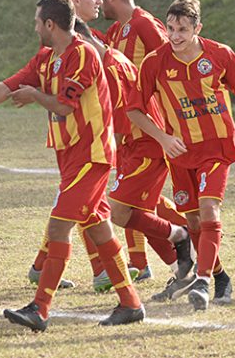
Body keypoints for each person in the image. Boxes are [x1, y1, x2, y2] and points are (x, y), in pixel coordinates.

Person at [0, 0, 144, 331]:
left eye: (37, 22)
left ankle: (40, 308)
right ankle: (131, 303)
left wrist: (35, 96)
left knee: (58, 227)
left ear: (50, 24)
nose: (34, 27)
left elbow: (65, 107)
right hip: (71, 159)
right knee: (98, 228)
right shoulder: (47, 58)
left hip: (92, 157)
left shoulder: (83, 54)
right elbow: (7, 86)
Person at [127, 0, 235, 310]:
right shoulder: (155, 61)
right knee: (193, 220)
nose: (175, 35)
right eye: (170, 28)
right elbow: (134, 110)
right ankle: (219, 275)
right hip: (179, 153)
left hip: (216, 148)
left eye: (182, 29)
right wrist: (163, 138)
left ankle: (202, 281)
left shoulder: (220, 55)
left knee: (209, 210)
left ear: (197, 29)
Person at [73, 19, 195, 287]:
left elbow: (121, 124)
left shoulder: (112, 69)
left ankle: (180, 234)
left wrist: (102, 160)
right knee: (140, 213)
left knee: (117, 212)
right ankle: (182, 271)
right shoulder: (112, 58)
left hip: (145, 147)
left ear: (84, 42)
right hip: (139, 147)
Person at [27, 0, 121, 292]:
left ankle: (107, 280)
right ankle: (116, 285)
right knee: (77, 213)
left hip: (87, 143)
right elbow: (62, 103)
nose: (99, 0)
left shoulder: (84, 45)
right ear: (74, 1)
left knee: (81, 211)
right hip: (79, 144)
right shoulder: (72, 48)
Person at [99, 0, 169, 280]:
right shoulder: (117, 31)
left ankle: (187, 239)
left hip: (150, 130)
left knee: (124, 203)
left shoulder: (145, 25)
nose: (98, 3)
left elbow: (172, 66)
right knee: (138, 201)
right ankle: (141, 263)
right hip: (127, 132)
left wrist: (175, 120)